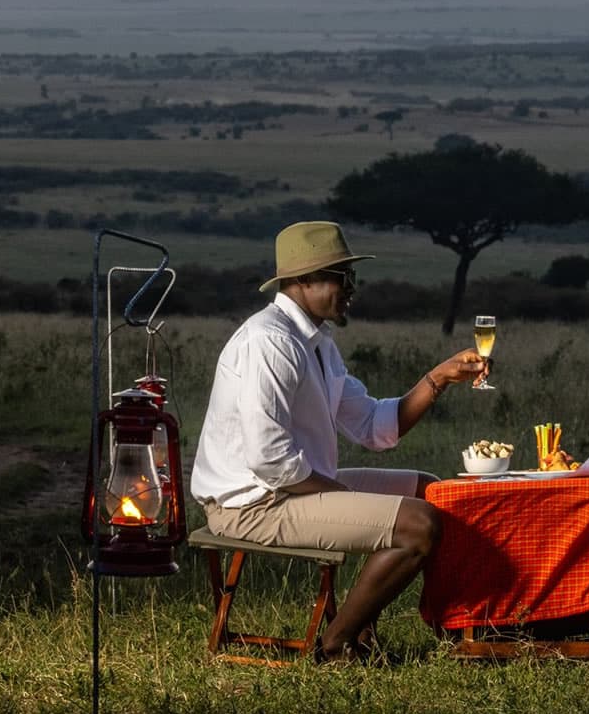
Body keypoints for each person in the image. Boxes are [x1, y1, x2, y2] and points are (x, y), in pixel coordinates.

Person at [189, 220, 486, 661]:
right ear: (301, 282)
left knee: (432, 490)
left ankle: (440, 625)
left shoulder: (317, 343)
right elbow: (270, 461)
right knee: (418, 523)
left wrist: (438, 378)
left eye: (351, 277)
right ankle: (337, 645)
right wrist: (342, 494)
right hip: (251, 504)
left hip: (291, 486)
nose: (351, 288)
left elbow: (373, 425)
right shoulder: (268, 342)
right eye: (339, 277)